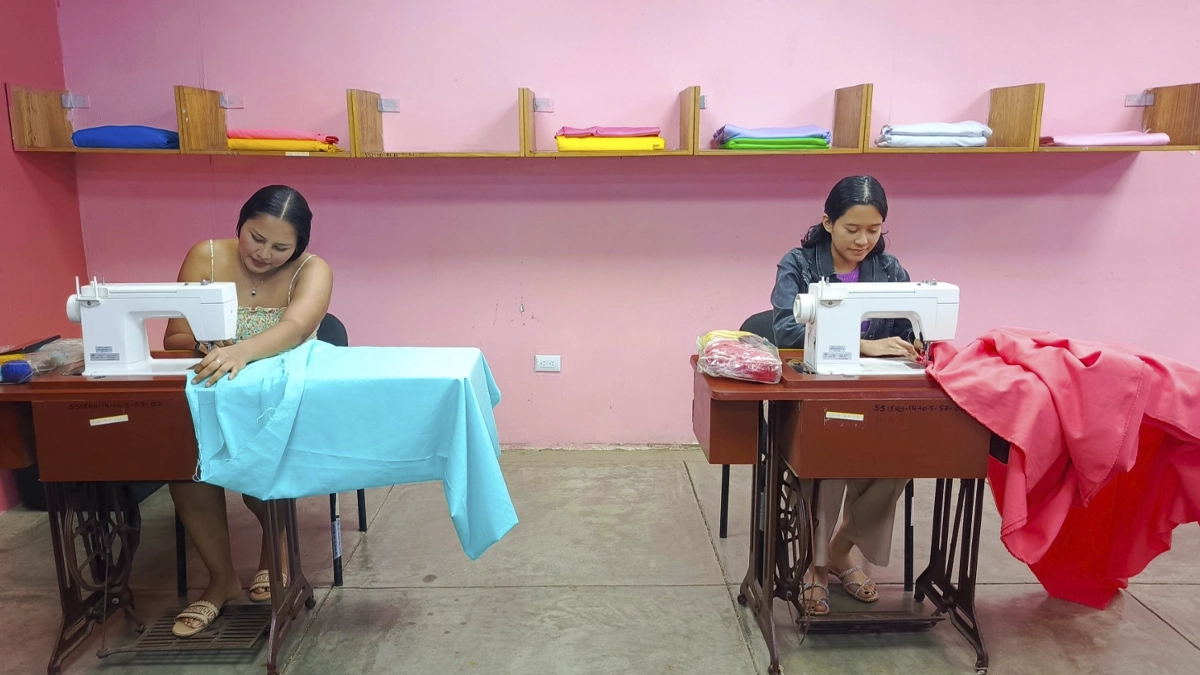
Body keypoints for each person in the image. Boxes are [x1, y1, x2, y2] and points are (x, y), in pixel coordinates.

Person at [163, 185, 333, 637]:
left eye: (281, 248)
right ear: (240, 224)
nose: (263, 254)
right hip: (214, 391)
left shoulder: (313, 270)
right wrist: (204, 344)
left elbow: (296, 328)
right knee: (186, 465)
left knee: (263, 456)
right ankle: (220, 580)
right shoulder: (205, 257)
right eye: (256, 238)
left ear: (299, 246)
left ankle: (273, 553)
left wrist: (240, 350)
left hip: (282, 394)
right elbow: (173, 337)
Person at [769, 175, 918, 616]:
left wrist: (917, 343)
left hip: (874, 399)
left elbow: (908, 327)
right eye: (852, 229)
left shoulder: (889, 271)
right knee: (832, 452)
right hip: (812, 401)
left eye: (873, 230)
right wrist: (866, 345)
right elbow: (786, 330)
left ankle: (840, 546)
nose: (863, 240)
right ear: (828, 222)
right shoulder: (799, 264)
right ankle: (816, 567)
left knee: (902, 459)